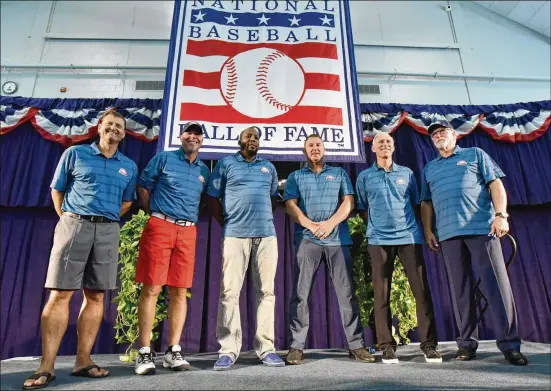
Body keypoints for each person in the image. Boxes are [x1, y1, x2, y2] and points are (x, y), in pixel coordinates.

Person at [22, 110, 138, 390]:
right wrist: (69, 218)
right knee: (61, 293)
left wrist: (105, 218)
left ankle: (83, 361)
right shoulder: (75, 154)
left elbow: (127, 202)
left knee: (96, 295)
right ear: (99, 128)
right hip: (74, 225)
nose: (114, 129)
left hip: (109, 230)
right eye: (109, 124)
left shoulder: (129, 166)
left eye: (119, 126)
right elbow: (57, 189)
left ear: (124, 133)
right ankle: (46, 366)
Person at [420, 120, 527, 365]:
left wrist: (501, 215)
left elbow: (495, 184)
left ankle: (510, 345)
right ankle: (466, 344)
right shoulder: (429, 168)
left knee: (496, 288)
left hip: (481, 230)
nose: (438, 136)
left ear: (454, 135)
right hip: (448, 235)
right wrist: (428, 231)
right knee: (461, 291)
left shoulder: (474, 154)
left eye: (442, 132)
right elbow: (426, 203)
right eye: (434, 134)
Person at [283, 134, 375, 365]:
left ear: (324, 149)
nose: (315, 148)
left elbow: (348, 202)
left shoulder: (340, 173)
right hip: (307, 240)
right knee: (300, 295)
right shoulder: (295, 176)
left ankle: (356, 345)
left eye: (318, 145)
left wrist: (329, 224)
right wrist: (309, 225)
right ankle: (296, 347)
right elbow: (290, 205)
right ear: (305, 151)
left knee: (346, 295)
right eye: (310, 146)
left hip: (337, 240)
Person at [355, 132, 440, 364]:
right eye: (380, 142)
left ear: (393, 148)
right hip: (378, 240)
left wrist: (424, 230)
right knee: (381, 295)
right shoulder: (364, 177)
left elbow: (417, 203)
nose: (384, 144)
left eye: (388, 142)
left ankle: (429, 345)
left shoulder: (407, 173)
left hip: (409, 238)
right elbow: (362, 208)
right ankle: (386, 346)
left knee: (421, 292)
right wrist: (378, 227)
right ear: (373, 149)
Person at [133, 122, 210, 375]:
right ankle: (144, 352)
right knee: (152, 287)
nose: (192, 136)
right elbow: (143, 186)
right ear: (180, 136)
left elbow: (201, 202)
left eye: (197, 134)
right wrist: (152, 215)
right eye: (189, 132)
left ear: (202, 140)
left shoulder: (203, 170)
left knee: (180, 290)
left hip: (188, 231)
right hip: (160, 225)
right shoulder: (164, 159)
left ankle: (173, 350)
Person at [207, 126, 285, 370]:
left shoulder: (268, 167)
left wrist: (261, 220)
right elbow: (212, 197)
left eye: (256, 137)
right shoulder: (226, 164)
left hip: (266, 236)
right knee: (229, 293)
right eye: (248, 135)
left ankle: (266, 348)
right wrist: (230, 223)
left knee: (267, 293)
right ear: (239, 140)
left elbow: (273, 197)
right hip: (235, 236)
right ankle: (228, 350)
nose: (253, 139)